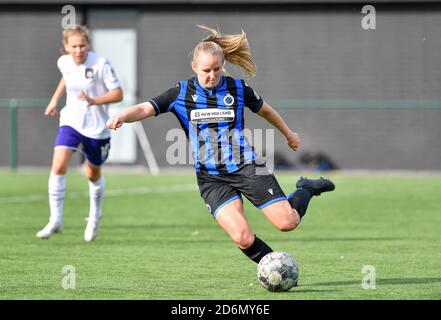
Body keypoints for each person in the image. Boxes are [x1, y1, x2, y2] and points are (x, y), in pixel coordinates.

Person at [107, 26, 334, 263]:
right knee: (243, 237)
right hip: (211, 178)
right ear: (194, 67)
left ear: (222, 65)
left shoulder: (237, 88)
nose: (212, 75)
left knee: (287, 223)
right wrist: (122, 116)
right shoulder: (181, 93)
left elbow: (265, 110)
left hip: (247, 167)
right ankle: (276, 267)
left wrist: (288, 134)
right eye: (206, 70)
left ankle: (306, 188)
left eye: (217, 69)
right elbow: (145, 108)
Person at [37, 25, 123, 241]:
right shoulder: (64, 62)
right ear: (66, 47)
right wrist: (54, 100)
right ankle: (55, 219)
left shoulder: (101, 64)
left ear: (88, 45)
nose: (78, 50)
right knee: (58, 166)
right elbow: (66, 77)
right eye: (74, 46)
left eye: (82, 45)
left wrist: (95, 101)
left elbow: (118, 94)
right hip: (71, 121)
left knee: (92, 174)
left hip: (97, 127)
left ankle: (94, 217)